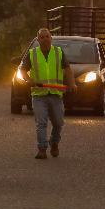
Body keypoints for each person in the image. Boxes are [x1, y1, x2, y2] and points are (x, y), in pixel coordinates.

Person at [18, 28, 76, 160]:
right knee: (41, 122)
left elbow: (67, 69)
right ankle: (42, 149)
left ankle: (54, 142)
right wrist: (28, 80)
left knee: (58, 123)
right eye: (42, 37)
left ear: (51, 38)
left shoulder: (58, 52)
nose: (45, 39)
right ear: (38, 40)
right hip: (39, 95)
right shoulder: (32, 53)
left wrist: (72, 83)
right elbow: (22, 70)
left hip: (56, 94)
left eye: (47, 36)